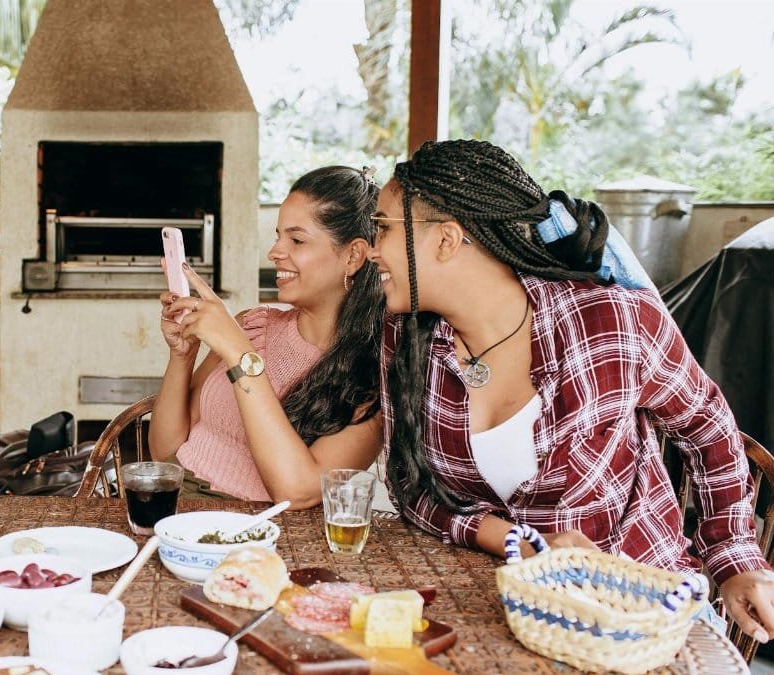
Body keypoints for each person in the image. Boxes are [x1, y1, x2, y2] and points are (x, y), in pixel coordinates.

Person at [371, 139, 774, 639]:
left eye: (382, 228)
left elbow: (709, 426)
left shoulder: (611, 323)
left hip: (640, 613)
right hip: (513, 611)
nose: (371, 249)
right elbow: (409, 487)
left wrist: (735, 559)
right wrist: (516, 539)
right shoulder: (407, 339)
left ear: (447, 240)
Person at [149, 166, 384, 509]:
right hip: (178, 507)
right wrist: (182, 355)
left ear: (353, 255)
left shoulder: (370, 375)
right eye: (278, 236)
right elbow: (166, 451)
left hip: (262, 535)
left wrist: (238, 352)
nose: (275, 252)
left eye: (297, 240)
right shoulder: (253, 324)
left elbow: (299, 491)